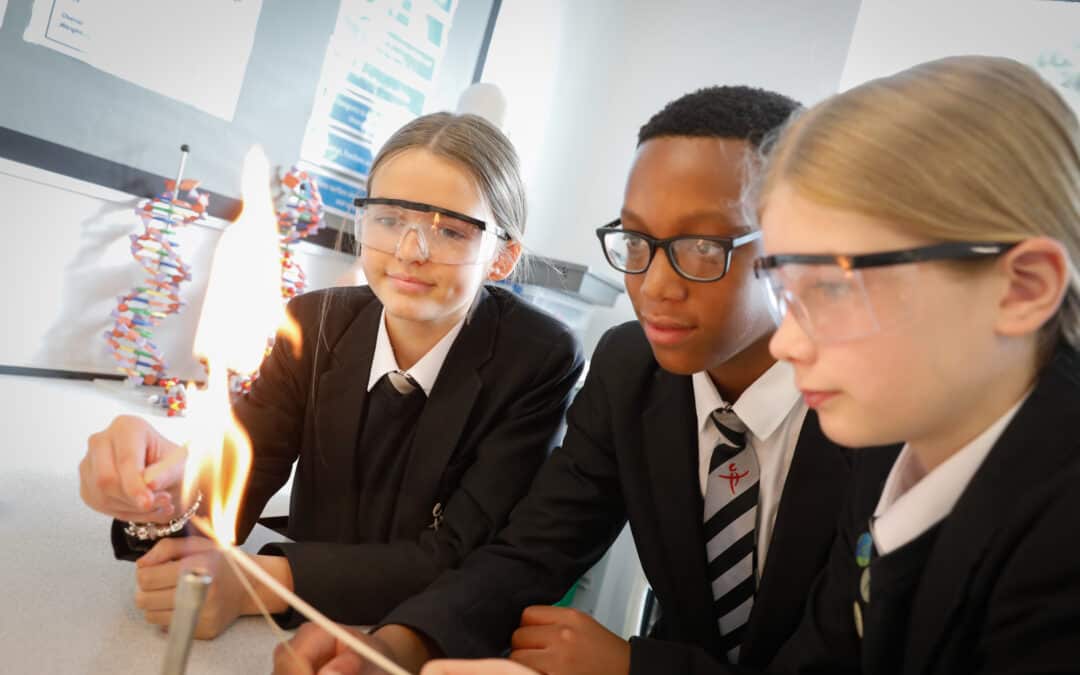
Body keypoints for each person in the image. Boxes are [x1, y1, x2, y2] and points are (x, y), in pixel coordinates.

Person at [271, 85, 899, 675]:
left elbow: (852, 652)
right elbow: (537, 547)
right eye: (637, 241)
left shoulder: (884, 409)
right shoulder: (632, 369)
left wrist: (634, 667)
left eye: (704, 246)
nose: (654, 286)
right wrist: (396, 646)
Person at [77, 112, 584, 639]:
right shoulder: (314, 324)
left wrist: (257, 583)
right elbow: (235, 482)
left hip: (424, 642)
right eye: (389, 219)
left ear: (501, 257)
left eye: (451, 231)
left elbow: (466, 559)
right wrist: (156, 500)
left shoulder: (538, 358)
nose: (411, 252)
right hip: (299, 631)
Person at [754, 54, 1080, 674]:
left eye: (833, 288)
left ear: (1023, 287)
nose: (785, 343)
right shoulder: (892, 446)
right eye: (784, 292)